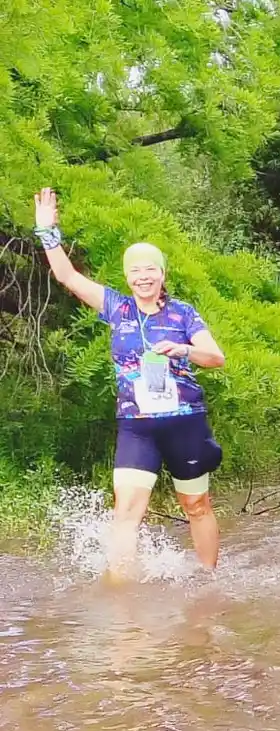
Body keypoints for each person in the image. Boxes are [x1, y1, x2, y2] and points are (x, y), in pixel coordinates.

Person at [33, 188, 225, 575]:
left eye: (150, 269)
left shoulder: (184, 313)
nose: (143, 276)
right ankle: (122, 595)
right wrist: (47, 232)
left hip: (184, 422)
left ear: (162, 274)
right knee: (126, 510)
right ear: (127, 276)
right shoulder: (116, 308)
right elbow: (67, 276)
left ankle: (209, 582)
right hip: (137, 426)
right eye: (135, 270)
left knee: (196, 505)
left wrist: (183, 350)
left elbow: (215, 358)